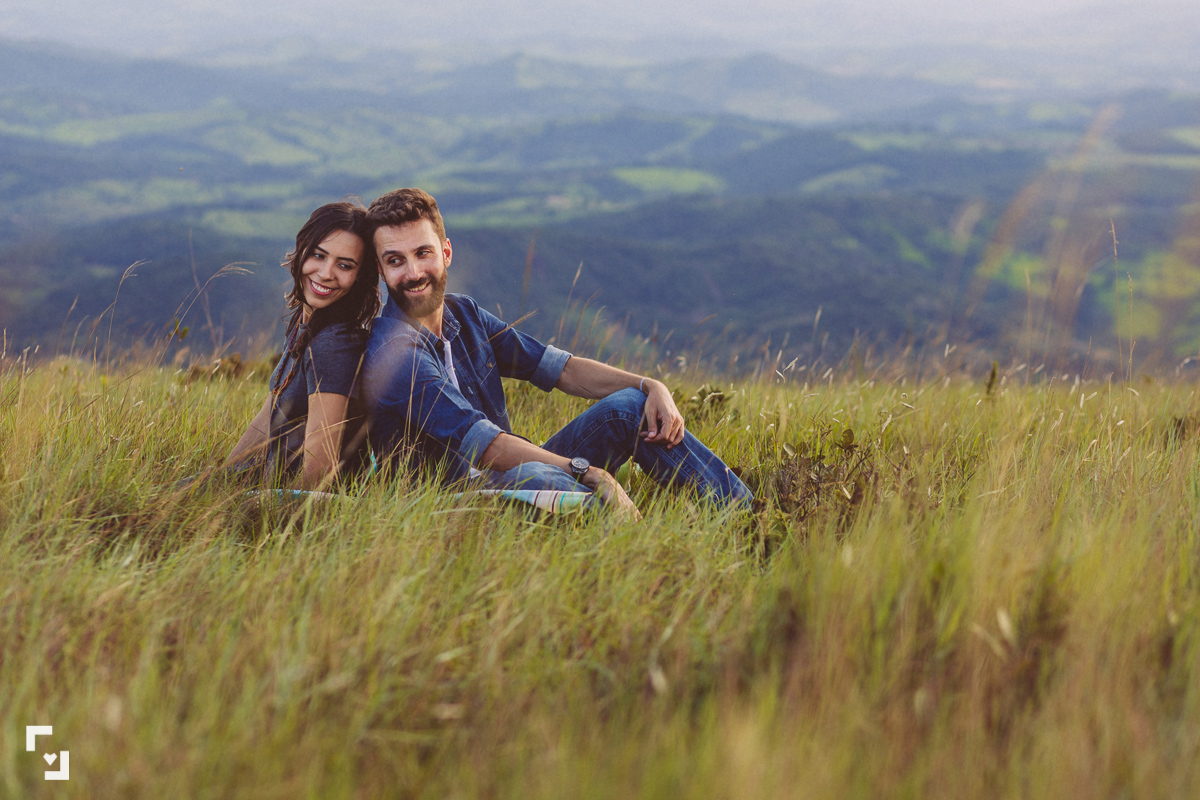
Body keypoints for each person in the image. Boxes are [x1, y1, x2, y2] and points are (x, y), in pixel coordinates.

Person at [360, 188, 751, 518]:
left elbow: (559, 369)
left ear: (446, 253)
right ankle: (634, 555)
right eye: (395, 260)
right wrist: (589, 472)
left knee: (630, 407)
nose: (412, 272)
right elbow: (487, 446)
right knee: (542, 477)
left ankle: (745, 518)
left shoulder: (464, 314)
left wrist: (651, 386)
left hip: (509, 479)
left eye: (422, 253)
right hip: (449, 509)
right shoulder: (394, 354)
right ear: (381, 271)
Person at [223, 200, 381, 489]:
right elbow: (270, 414)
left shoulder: (334, 345)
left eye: (344, 265)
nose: (325, 273)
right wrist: (217, 483)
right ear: (302, 250)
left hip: (282, 504)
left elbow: (319, 475)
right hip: (261, 487)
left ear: (359, 277)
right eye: (319, 256)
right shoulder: (307, 324)